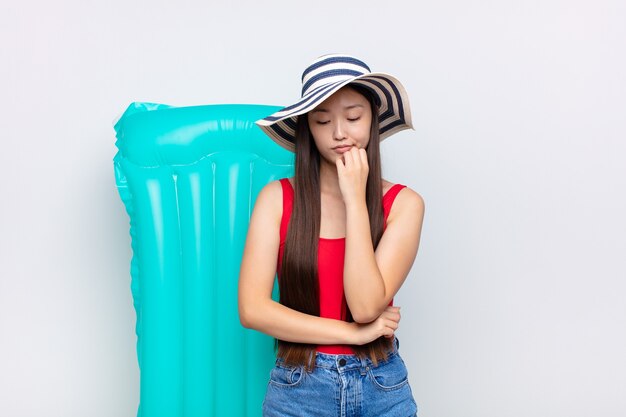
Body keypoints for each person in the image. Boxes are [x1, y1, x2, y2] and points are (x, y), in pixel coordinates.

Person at [238, 53, 425, 417]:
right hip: (298, 387)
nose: (339, 132)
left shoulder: (404, 204)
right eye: (323, 120)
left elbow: (365, 306)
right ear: (308, 128)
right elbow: (252, 309)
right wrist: (350, 334)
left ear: (372, 118)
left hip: (381, 387)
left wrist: (355, 199)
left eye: (353, 117)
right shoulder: (276, 200)